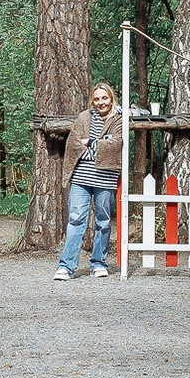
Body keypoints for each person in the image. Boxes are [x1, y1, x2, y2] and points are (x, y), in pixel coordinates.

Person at [54, 82, 124, 281]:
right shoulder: (84, 117)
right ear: (92, 100)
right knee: (76, 220)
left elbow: (116, 143)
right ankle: (66, 266)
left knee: (103, 222)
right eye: (97, 99)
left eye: (104, 98)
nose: (101, 102)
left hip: (106, 177)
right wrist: (100, 145)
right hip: (81, 176)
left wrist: (92, 142)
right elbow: (74, 143)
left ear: (111, 98)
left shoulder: (119, 119)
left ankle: (98, 263)